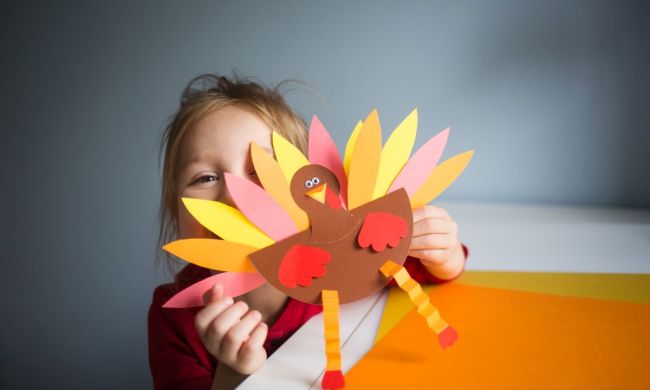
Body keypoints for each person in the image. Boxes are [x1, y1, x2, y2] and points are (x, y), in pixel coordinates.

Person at [148, 74, 468, 390]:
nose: (235, 194)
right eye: (204, 178)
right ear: (174, 207)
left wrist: (444, 254)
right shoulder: (173, 317)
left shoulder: (341, 255)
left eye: (261, 170)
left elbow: (424, 268)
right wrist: (233, 373)